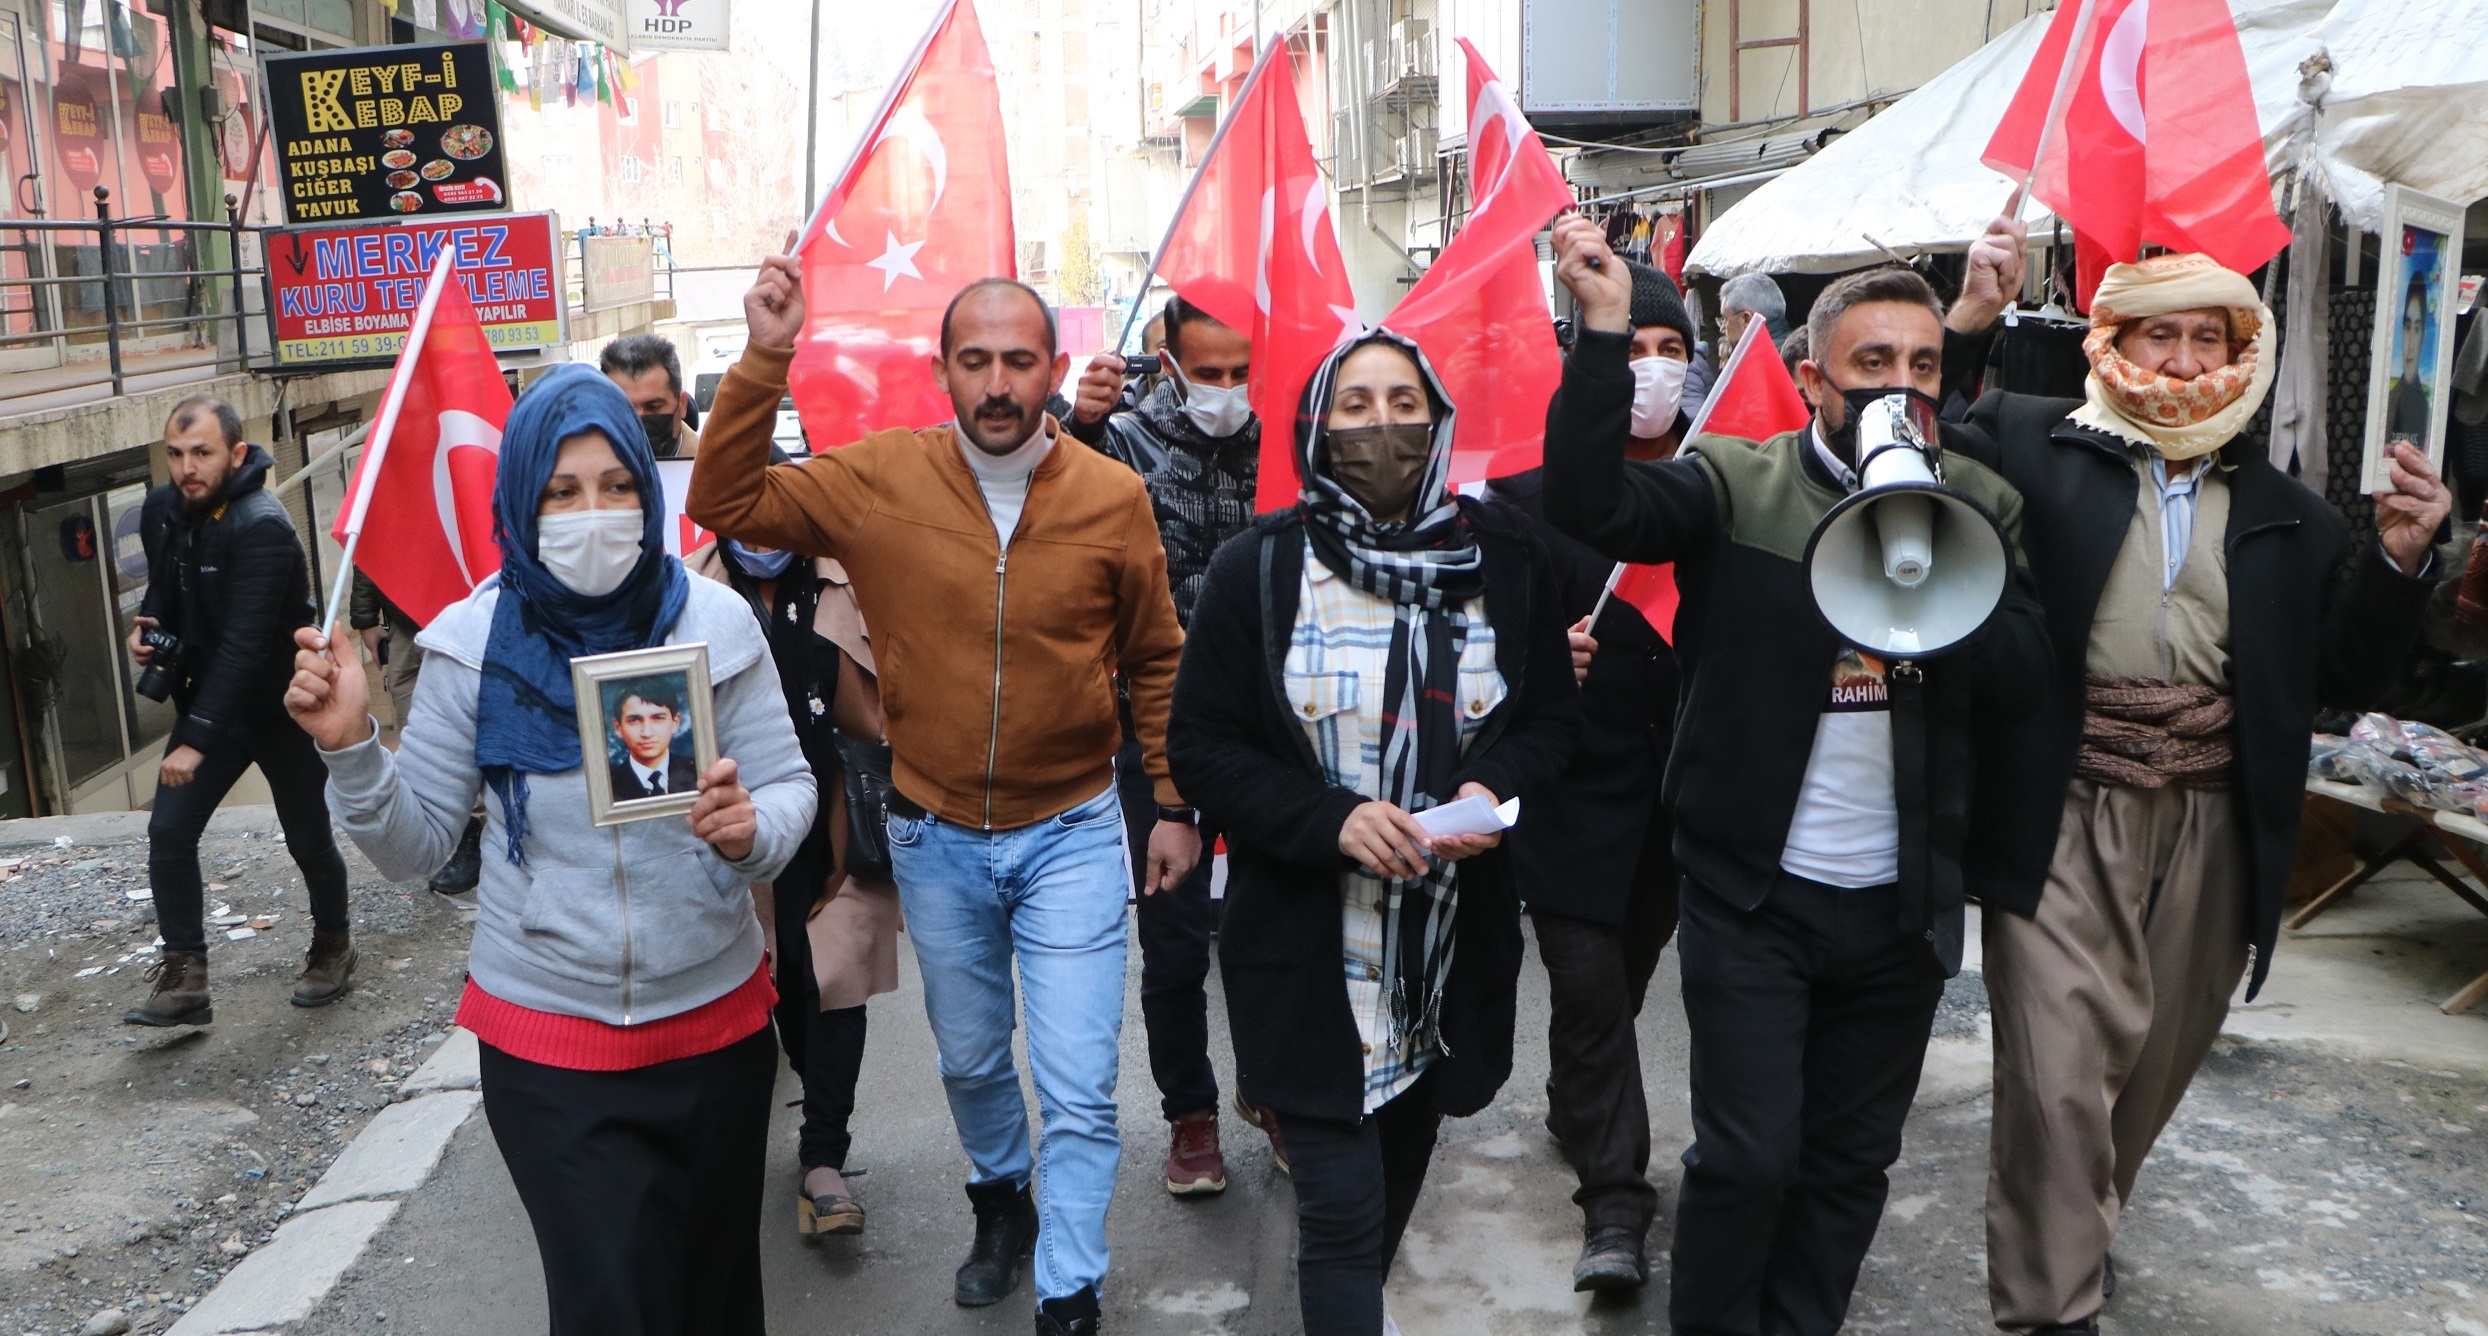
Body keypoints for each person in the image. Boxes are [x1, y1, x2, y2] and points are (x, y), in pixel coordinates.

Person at [1541, 215, 2053, 1336]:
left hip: (1899, 907)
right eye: (1873, 363)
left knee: (1847, 1163)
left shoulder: (1980, 502)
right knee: (1748, 1155)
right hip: (1752, 895)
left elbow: (2024, 674)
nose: (1902, 385)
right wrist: (1602, 336)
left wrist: (1931, 578)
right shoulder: (1734, 481)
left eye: (1924, 364)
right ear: (1812, 376)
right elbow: (1593, 508)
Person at [1941, 247, 2450, 1336]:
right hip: (2065, 805)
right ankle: (2051, 1308)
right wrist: (1970, 322)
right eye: (2157, 335)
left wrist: (2400, 565)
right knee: (2057, 1072)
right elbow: (1918, 440)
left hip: (2214, 819)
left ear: (2240, 354)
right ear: (2111, 344)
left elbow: (2343, 683)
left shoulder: (2292, 516)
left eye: (2207, 338)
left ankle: (2075, 1230)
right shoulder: (2031, 444)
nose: (2182, 359)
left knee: (2147, 1070)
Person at [688, 259, 1196, 1336]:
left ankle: (1069, 1283)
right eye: (976, 361)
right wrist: (765, 354)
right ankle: (999, 1200)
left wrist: (1174, 800)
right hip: (933, 835)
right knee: (968, 1057)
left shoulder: (1113, 497)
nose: (998, 383)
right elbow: (725, 499)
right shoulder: (880, 481)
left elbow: (1155, 657)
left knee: (1078, 1077)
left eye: (1020, 361)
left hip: (1070, 832)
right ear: (944, 372)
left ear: (1054, 370)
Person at [285, 364, 817, 1336]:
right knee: (610, 1307)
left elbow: (791, 790)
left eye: (617, 486)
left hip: (718, 1038)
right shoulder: (468, 645)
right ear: (521, 497)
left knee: (715, 1309)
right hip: (552, 1053)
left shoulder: (715, 621)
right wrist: (353, 747)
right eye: (563, 491)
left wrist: (751, 834)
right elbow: (414, 847)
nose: (594, 513)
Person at [1169, 328, 1579, 1336]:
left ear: (1439, 420)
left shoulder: (1508, 560)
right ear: (1314, 425)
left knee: (1389, 1191)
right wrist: (1334, 821)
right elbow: (1204, 748)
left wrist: (1489, 785)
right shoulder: (1255, 570)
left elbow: (1549, 722)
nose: (1382, 424)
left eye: (1404, 400)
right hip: (1307, 957)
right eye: (1354, 405)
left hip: (1442, 950)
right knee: (1341, 1216)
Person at [1482, 257, 1689, 1292]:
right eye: (1631, 351)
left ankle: (1577, 1104)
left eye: (1671, 353)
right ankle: (1615, 1203)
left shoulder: (1717, 491)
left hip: (1678, 803)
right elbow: (1472, 658)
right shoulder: (1522, 506)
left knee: (1621, 981)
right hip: (1566, 801)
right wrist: (1532, 663)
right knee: (1593, 986)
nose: (1651, 372)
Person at [1064, 294, 1285, 1195]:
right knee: (1176, 936)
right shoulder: (1121, 440)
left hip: (1276, 726)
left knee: (1277, 927)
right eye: (1211, 373)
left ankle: (1274, 1096)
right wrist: (1077, 423)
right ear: (1169, 362)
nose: (1228, 391)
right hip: (1155, 729)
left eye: (1244, 373)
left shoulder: (1288, 439)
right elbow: (1048, 502)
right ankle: (1190, 1118)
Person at [684, 500, 903, 1240]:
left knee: (835, 977)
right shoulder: (692, 592)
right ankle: (804, 1103)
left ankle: (823, 1160)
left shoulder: (847, 582)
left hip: (838, 814)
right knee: (778, 988)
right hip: (742, 828)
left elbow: (888, 691)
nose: (762, 538)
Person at [123, 396, 356, 1027]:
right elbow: (164, 598)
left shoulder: (262, 525)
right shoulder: (162, 510)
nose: (186, 468)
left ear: (237, 454)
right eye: (175, 454)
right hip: (213, 704)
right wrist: (148, 634)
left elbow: (247, 647)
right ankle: (185, 977)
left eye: (201, 452)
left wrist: (193, 739)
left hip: (286, 707)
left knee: (308, 835)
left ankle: (334, 943)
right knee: (169, 831)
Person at [352, 570, 485, 892]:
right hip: (406, 620)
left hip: (472, 611)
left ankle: (482, 826)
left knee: (480, 715)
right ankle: (460, 829)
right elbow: (370, 541)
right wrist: (365, 618)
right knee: (414, 720)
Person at [602, 333, 702, 458]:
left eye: (653, 407)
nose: (639, 418)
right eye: (626, 407)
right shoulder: (585, 469)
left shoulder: (717, 470)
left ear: (682, 404)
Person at [605, 676, 697, 799]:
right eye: (634, 720)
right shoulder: (607, 783)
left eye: (658, 718)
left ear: (675, 722)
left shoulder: (697, 771)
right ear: (618, 728)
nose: (647, 733)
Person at [1718, 271, 1791, 354]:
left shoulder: (1758, 362)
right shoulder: (1802, 349)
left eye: (1725, 319)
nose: (1722, 329)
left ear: (1745, 319)